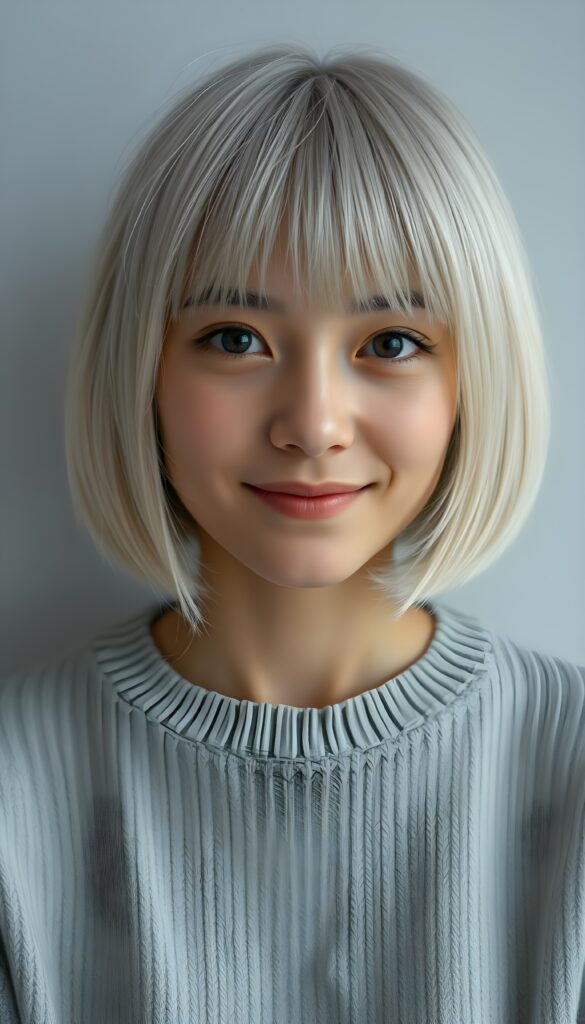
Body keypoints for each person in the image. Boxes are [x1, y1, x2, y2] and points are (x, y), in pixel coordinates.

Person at [1, 44, 584, 1023]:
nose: (314, 423)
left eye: (390, 343)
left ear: (471, 381)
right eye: (235, 339)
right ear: (139, 366)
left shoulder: (566, 766)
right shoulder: (18, 790)